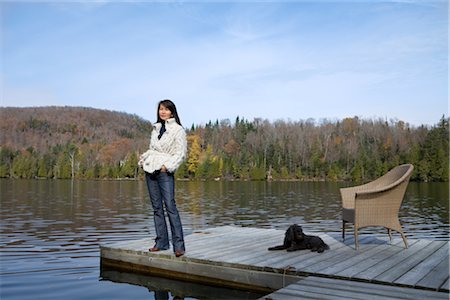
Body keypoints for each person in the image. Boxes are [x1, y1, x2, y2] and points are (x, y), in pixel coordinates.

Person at [138, 99, 187, 257]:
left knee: (170, 207)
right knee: (157, 208)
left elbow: (180, 153)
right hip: (151, 169)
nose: (163, 112)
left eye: (166, 109)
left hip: (165, 171)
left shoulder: (178, 130)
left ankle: (178, 246)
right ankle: (161, 242)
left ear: (172, 112)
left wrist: (168, 166)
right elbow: (153, 149)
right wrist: (144, 158)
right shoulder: (155, 128)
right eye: (160, 109)